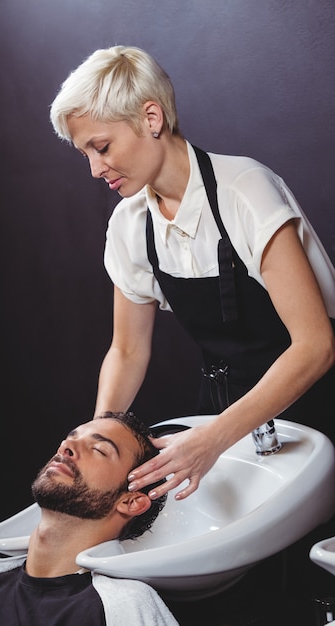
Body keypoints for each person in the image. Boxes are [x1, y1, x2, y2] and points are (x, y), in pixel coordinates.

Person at [49, 45, 335, 504]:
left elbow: (315, 345)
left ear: (151, 118)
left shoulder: (245, 190)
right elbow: (127, 349)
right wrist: (98, 440)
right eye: (86, 153)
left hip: (315, 408)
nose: (95, 169)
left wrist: (214, 440)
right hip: (219, 414)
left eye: (101, 147)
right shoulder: (129, 223)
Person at [0, 412, 178, 626]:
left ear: (131, 501)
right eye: (70, 438)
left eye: (98, 449)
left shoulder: (124, 607)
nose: (67, 447)